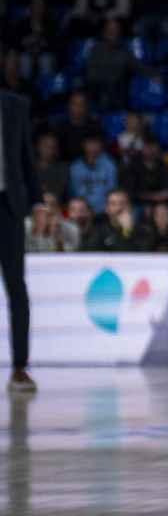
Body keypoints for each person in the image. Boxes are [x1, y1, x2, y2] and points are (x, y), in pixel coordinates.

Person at [2, 90, 41, 393]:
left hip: (9, 206)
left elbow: (26, 155)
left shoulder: (16, 105)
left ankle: (19, 368)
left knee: (17, 287)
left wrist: (38, 201)